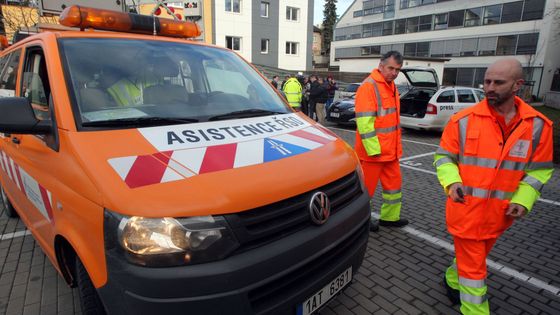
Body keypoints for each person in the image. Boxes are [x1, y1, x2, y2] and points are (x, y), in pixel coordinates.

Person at [434, 58, 553, 315]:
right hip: (465, 210)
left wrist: (523, 199)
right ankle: (474, 309)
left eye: (498, 82)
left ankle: (453, 279)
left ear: (517, 85)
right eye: (487, 81)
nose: (489, 87)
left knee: (471, 259)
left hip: (499, 215)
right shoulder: (462, 121)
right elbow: (444, 157)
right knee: (475, 271)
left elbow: (539, 170)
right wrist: (452, 182)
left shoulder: (538, 126)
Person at [354, 51, 408, 232]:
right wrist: (373, 150)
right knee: (366, 190)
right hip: (374, 153)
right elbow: (364, 122)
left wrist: (394, 148)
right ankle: (361, 220)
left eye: (397, 70)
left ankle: (390, 218)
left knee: (394, 187)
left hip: (390, 151)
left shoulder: (391, 86)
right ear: (381, 65)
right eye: (391, 68)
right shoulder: (369, 86)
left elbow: (391, 121)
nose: (394, 72)